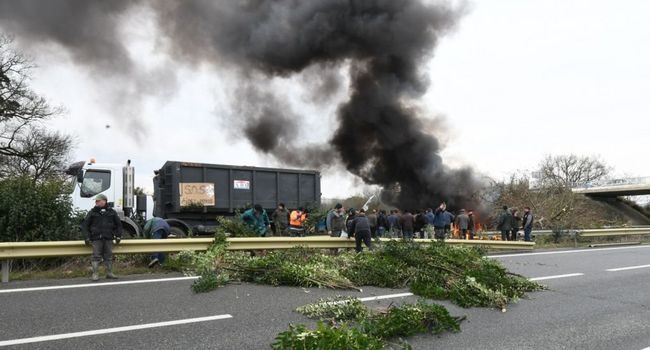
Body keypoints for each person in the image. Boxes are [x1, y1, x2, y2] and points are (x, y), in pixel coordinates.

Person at [81, 194, 123, 281]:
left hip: (108, 238)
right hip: (96, 238)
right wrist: (87, 237)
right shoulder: (92, 212)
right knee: (96, 256)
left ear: (104, 201)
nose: (96, 202)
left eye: (98, 201)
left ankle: (109, 273)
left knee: (109, 256)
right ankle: (95, 273)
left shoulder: (112, 212)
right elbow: (85, 226)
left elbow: (119, 225)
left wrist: (118, 235)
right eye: (96, 201)